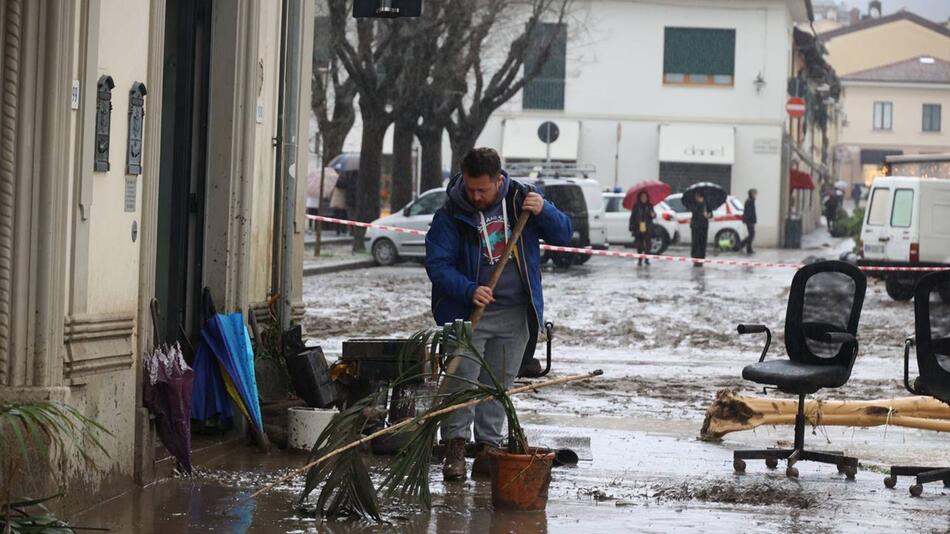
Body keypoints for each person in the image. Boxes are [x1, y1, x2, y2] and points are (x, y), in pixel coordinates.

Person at [424, 147, 573, 482]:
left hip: (516, 312)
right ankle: (455, 448)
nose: (475, 196)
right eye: (470, 189)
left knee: (497, 385)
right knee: (461, 382)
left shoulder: (523, 200)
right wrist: (468, 289)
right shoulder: (450, 214)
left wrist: (544, 211)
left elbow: (564, 233)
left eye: (483, 190)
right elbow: (437, 265)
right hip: (466, 314)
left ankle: (488, 450)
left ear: (499, 181)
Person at [629, 191, 655, 265]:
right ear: (640, 198)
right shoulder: (636, 206)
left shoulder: (650, 205)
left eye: (645, 197)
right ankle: (639, 259)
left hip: (647, 227)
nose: (644, 198)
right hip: (638, 227)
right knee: (639, 245)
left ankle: (647, 259)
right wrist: (631, 226)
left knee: (648, 244)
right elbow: (632, 217)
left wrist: (653, 214)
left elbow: (653, 215)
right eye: (642, 197)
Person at [690, 191, 711, 267]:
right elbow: (694, 212)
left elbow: (711, 214)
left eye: (698, 196)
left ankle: (701, 259)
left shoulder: (706, 204)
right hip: (695, 226)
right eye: (696, 197)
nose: (697, 198)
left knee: (702, 243)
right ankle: (695, 259)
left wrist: (708, 215)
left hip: (704, 226)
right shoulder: (694, 204)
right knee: (695, 242)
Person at [741, 189, 757, 254]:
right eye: (755, 193)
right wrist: (751, 221)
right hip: (750, 221)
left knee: (751, 235)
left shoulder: (751, 201)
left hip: (750, 221)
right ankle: (741, 244)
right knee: (751, 235)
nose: (756, 195)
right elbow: (749, 212)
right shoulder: (749, 201)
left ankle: (749, 249)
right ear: (751, 194)